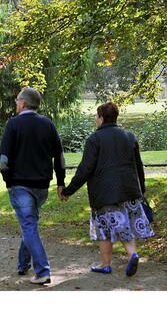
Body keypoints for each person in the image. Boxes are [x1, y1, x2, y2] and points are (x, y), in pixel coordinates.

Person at [61, 102, 154, 276]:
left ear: (102, 118)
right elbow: (138, 166)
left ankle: (105, 264)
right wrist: (141, 189)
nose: (95, 120)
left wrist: (68, 191)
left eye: (96, 116)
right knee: (126, 227)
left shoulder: (94, 139)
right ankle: (132, 254)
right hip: (130, 190)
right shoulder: (129, 136)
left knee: (104, 229)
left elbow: (85, 169)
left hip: (104, 194)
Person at [0, 87, 66, 285]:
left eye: (18, 100)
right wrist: (61, 182)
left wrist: (8, 181)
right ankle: (23, 265)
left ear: (24, 103)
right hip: (41, 187)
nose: (16, 103)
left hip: (20, 186)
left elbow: (3, 161)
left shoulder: (13, 124)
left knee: (28, 225)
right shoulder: (48, 124)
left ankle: (43, 271)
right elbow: (60, 158)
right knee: (29, 223)